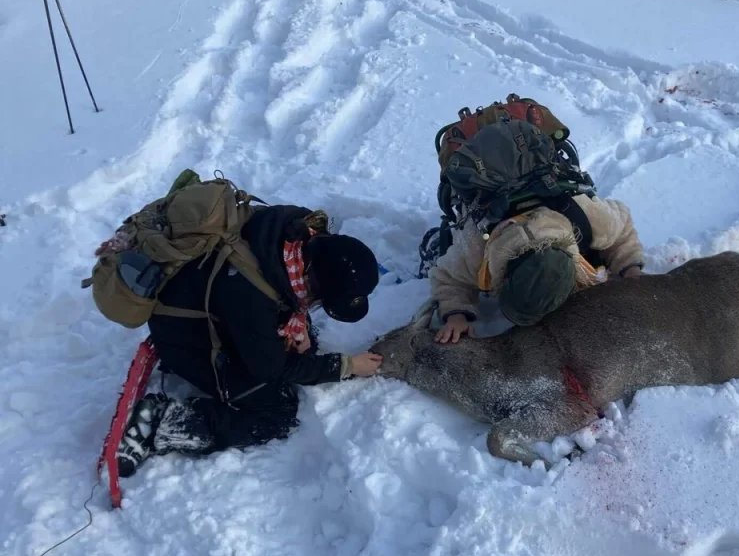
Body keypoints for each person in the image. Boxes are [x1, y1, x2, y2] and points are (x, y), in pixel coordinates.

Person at [115, 203, 382, 477]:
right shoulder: (252, 295)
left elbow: (283, 296)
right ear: (313, 279)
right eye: (320, 299)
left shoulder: (296, 232)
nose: (315, 305)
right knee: (275, 411)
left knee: (303, 347)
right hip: (184, 335)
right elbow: (272, 367)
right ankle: (164, 422)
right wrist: (347, 366)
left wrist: (297, 323)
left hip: (212, 305)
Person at [430, 192, 645, 343]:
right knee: (446, 244)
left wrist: (630, 267)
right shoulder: (477, 248)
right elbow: (447, 276)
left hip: (560, 206)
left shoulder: (590, 218)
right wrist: (456, 314)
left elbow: (623, 224)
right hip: (488, 208)